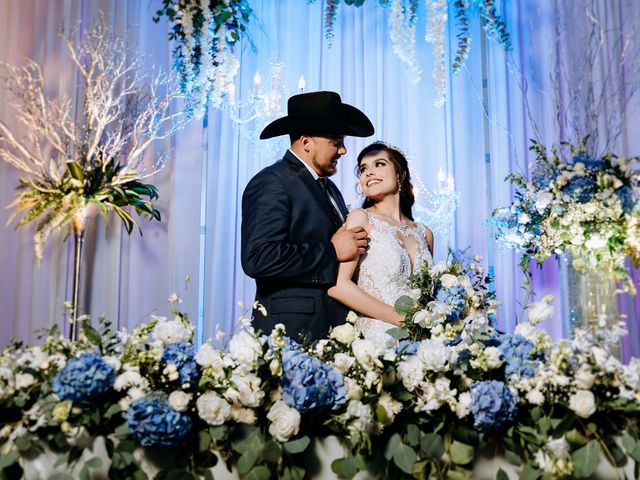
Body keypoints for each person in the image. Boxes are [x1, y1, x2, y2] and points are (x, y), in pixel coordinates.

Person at [241, 91, 374, 341]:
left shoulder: (329, 187)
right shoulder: (272, 182)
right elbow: (257, 257)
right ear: (306, 142)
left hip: (334, 328)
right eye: (336, 142)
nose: (344, 150)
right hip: (292, 332)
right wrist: (331, 251)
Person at [328, 142, 434, 345]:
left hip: (423, 340)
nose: (369, 172)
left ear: (400, 175)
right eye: (363, 169)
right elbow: (339, 286)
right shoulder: (361, 218)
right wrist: (401, 319)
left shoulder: (424, 233)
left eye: (379, 164)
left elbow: (428, 293)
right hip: (377, 339)